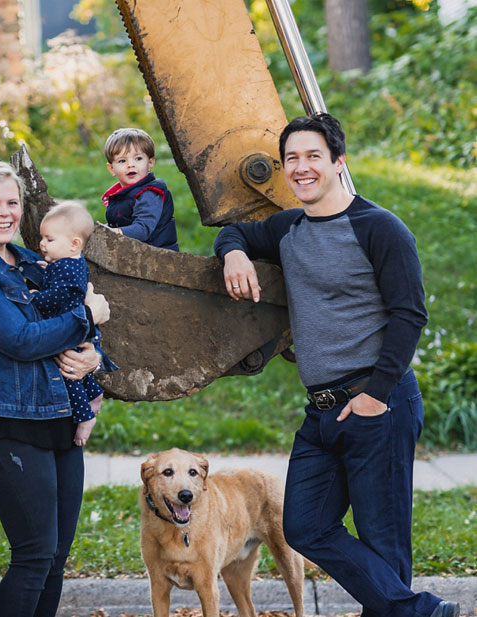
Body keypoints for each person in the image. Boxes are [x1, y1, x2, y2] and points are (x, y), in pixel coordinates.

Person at [213, 112, 458, 617]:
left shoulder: (380, 228)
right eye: (292, 159)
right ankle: (421, 611)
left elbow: (410, 314)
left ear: (338, 162)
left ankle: (408, 610)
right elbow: (235, 232)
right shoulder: (288, 227)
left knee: (383, 540)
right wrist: (233, 254)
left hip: (377, 403)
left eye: (313, 157)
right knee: (303, 524)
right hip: (321, 411)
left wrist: (377, 395)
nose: (301, 168)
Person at [0, 161, 110, 617]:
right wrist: (89, 318)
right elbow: (22, 339)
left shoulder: (36, 262)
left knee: (54, 561)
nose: (3, 213)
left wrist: (94, 353)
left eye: (11, 203)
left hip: (58, 419)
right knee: (34, 555)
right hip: (6, 425)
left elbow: (74, 319)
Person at [33, 202, 117, 446]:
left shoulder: (69, 268)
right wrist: (48, 270)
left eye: (49, 239)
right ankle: (94, 392)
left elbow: (59, 295)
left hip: (73, 331)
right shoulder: (67, 263)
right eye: (42, 238)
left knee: (69, 374)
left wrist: (34, 297)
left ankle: (84, 417)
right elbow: (59, 282)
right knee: (77, 368)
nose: (42, 244)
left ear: (74, 244)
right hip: (78, 328)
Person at [101, 127, 179, 250]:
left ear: (150, 163)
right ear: (111, 169)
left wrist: (113, 232)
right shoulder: (120, 195)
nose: (130, 165)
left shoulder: (149, 193)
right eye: (122, 160)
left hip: (159, 255)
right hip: (136, 252)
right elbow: (119, 224)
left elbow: (143, 229)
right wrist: (104, 229)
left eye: (138, 158)